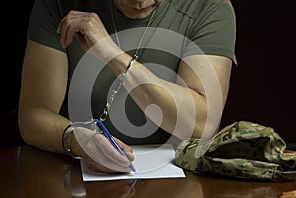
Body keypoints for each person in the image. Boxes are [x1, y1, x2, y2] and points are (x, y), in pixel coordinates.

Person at [18, 0, 237, 173]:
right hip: (73, 173)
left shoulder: (209, 7)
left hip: (176, 181)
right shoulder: (59, 4)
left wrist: (111, 54)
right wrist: (74, 138)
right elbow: (32, 116)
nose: (140, 2)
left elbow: (202, 124)